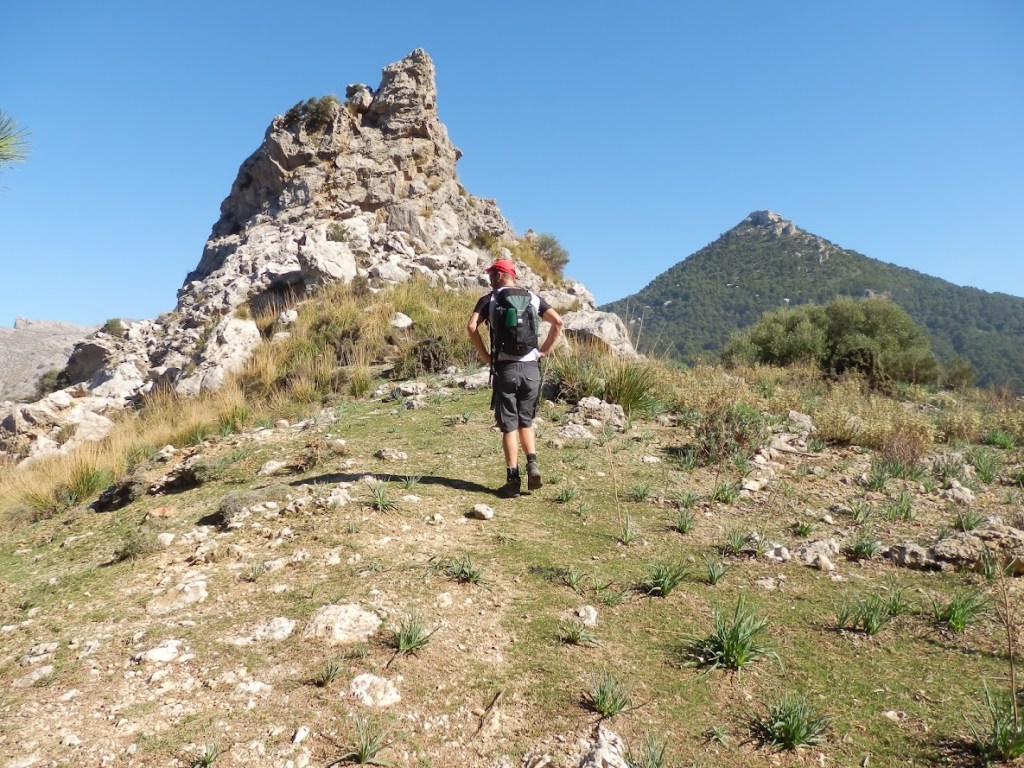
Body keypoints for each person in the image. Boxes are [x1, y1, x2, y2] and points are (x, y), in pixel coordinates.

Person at [467, 258, 564, 498]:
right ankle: (533, 464)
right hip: (531, 369)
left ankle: (513, 479)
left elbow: (471, 327)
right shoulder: (532, 298)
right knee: (526, 421)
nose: (489, 278)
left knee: (508, 426)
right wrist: (542, 351)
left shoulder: (488, 299)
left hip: (505, 369)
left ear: (500, 275)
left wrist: (487, 357)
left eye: (492, 274)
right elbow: (558, 322)